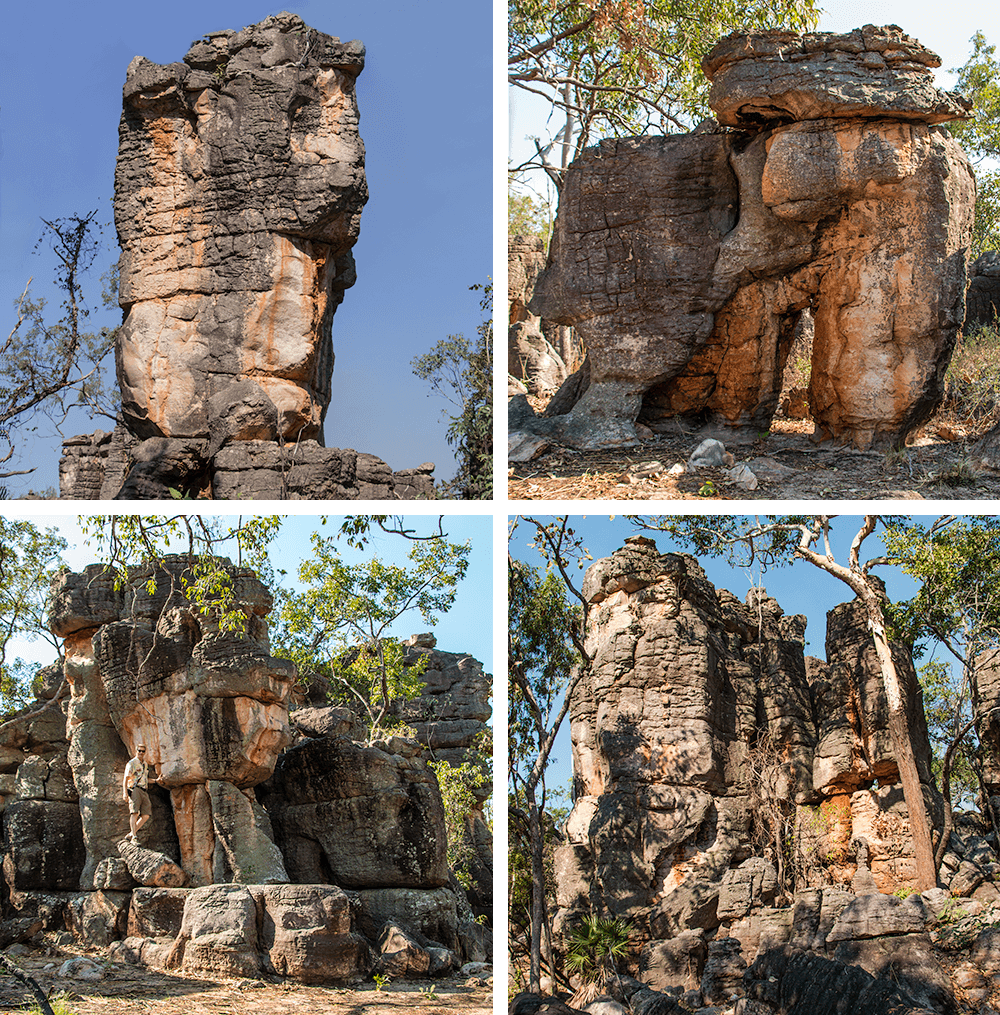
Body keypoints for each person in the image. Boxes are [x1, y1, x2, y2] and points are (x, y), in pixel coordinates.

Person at [122, 743, 159, 842]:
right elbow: (126, 778)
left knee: (146, 815)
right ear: (136, 750)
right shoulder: (132, 763)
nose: (141, 753)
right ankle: (134, 837)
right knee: (134, 812)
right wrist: (125, 792)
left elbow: (145, 779)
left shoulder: (145, 764)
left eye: (143, 751)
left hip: (144, 790)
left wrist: (156, 781)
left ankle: (131, 833)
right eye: (139, 750)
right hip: (135, 789)